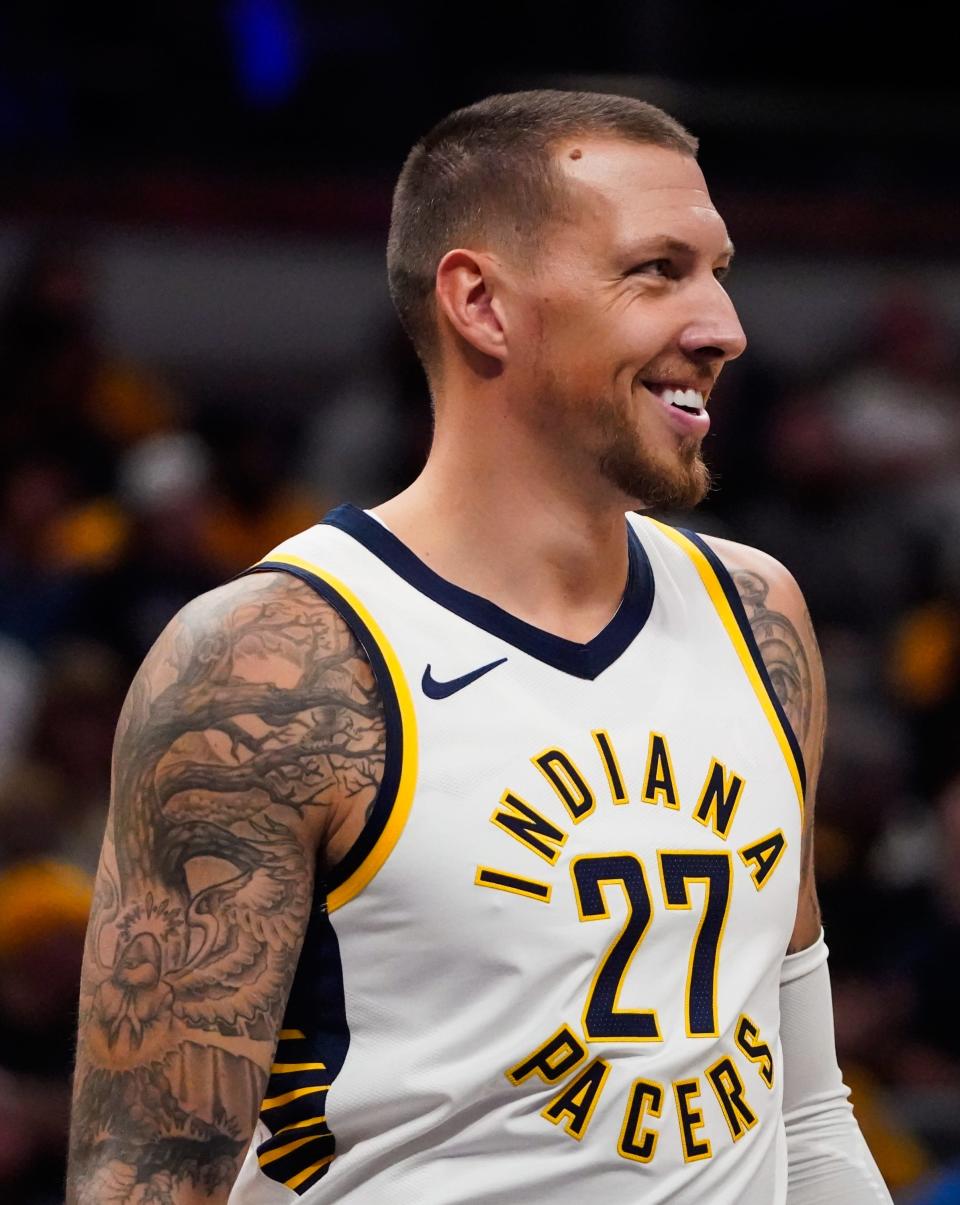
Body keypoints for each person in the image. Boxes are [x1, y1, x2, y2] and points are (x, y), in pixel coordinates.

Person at [67, 90, 892, 1204]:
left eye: (719, 268)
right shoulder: (275, 659)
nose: (723, 326)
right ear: (482, 303)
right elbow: (142, 1181)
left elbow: (802, 1109)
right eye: (657, 269)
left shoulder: (760, 612)